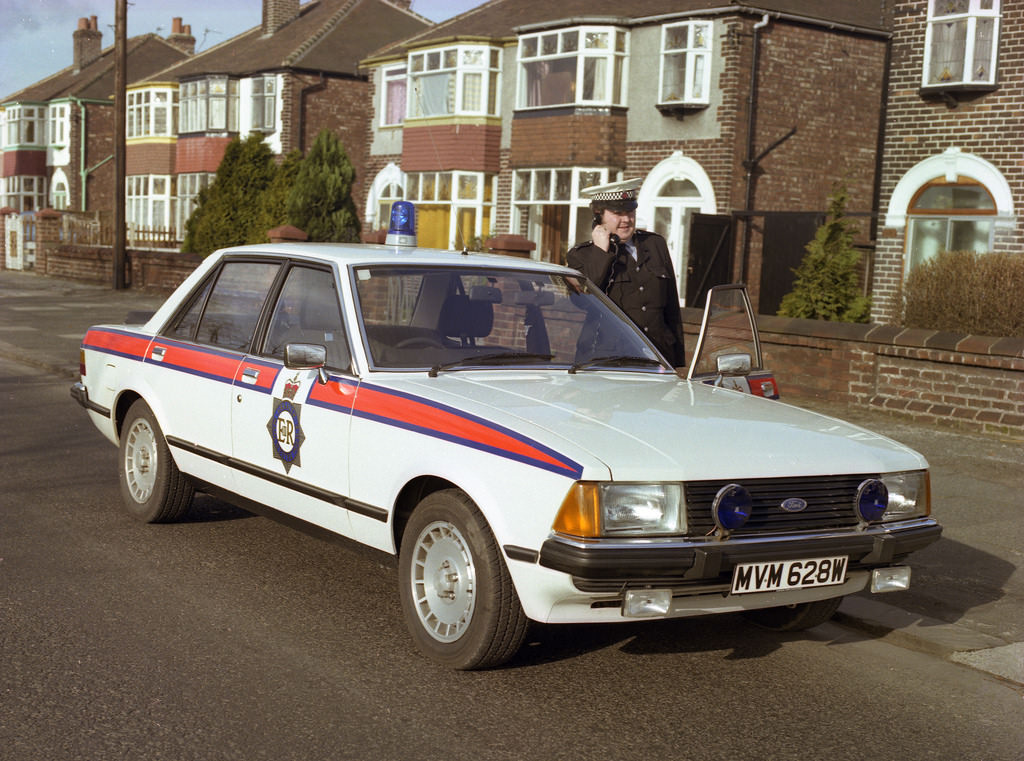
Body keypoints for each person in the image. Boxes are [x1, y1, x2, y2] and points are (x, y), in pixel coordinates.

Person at [566, 178, 687, 367]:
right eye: (617, 213)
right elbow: (584, 300)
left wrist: (678, 360)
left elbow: (671, 306)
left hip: (658, 355)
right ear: (599, 216)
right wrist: (600, 252)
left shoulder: (655, 244)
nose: (626, 220)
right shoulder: (581, 255)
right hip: (610, 358)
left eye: (630, 212)